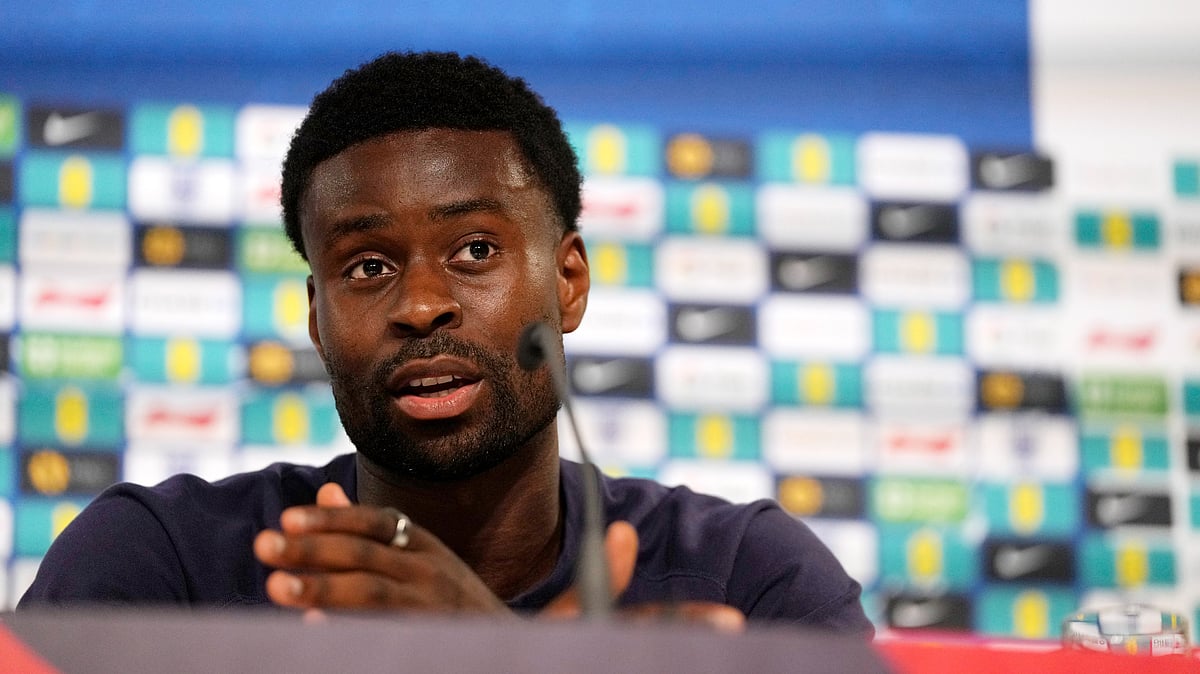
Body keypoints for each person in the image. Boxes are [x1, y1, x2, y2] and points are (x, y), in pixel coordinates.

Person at [19, 51, 873, 635]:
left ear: (568, 282)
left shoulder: (746, 582)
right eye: (367, 266)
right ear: (316, 318)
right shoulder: (159, 569)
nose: (421, 305)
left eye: (475, 251)